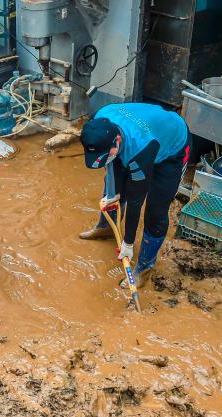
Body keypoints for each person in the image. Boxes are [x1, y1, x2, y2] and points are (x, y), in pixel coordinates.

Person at [79, 103, 191, 288]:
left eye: (107, 154)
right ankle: (107, 228)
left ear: (117, 140)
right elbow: (111, 161)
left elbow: (136, 201)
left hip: (172, 148)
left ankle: (144, 268)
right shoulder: (99, 121)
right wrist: (113, 194)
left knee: (156, 210)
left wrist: (128, 243)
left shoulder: (140, 149)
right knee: (112, 189)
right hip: (141, 136)